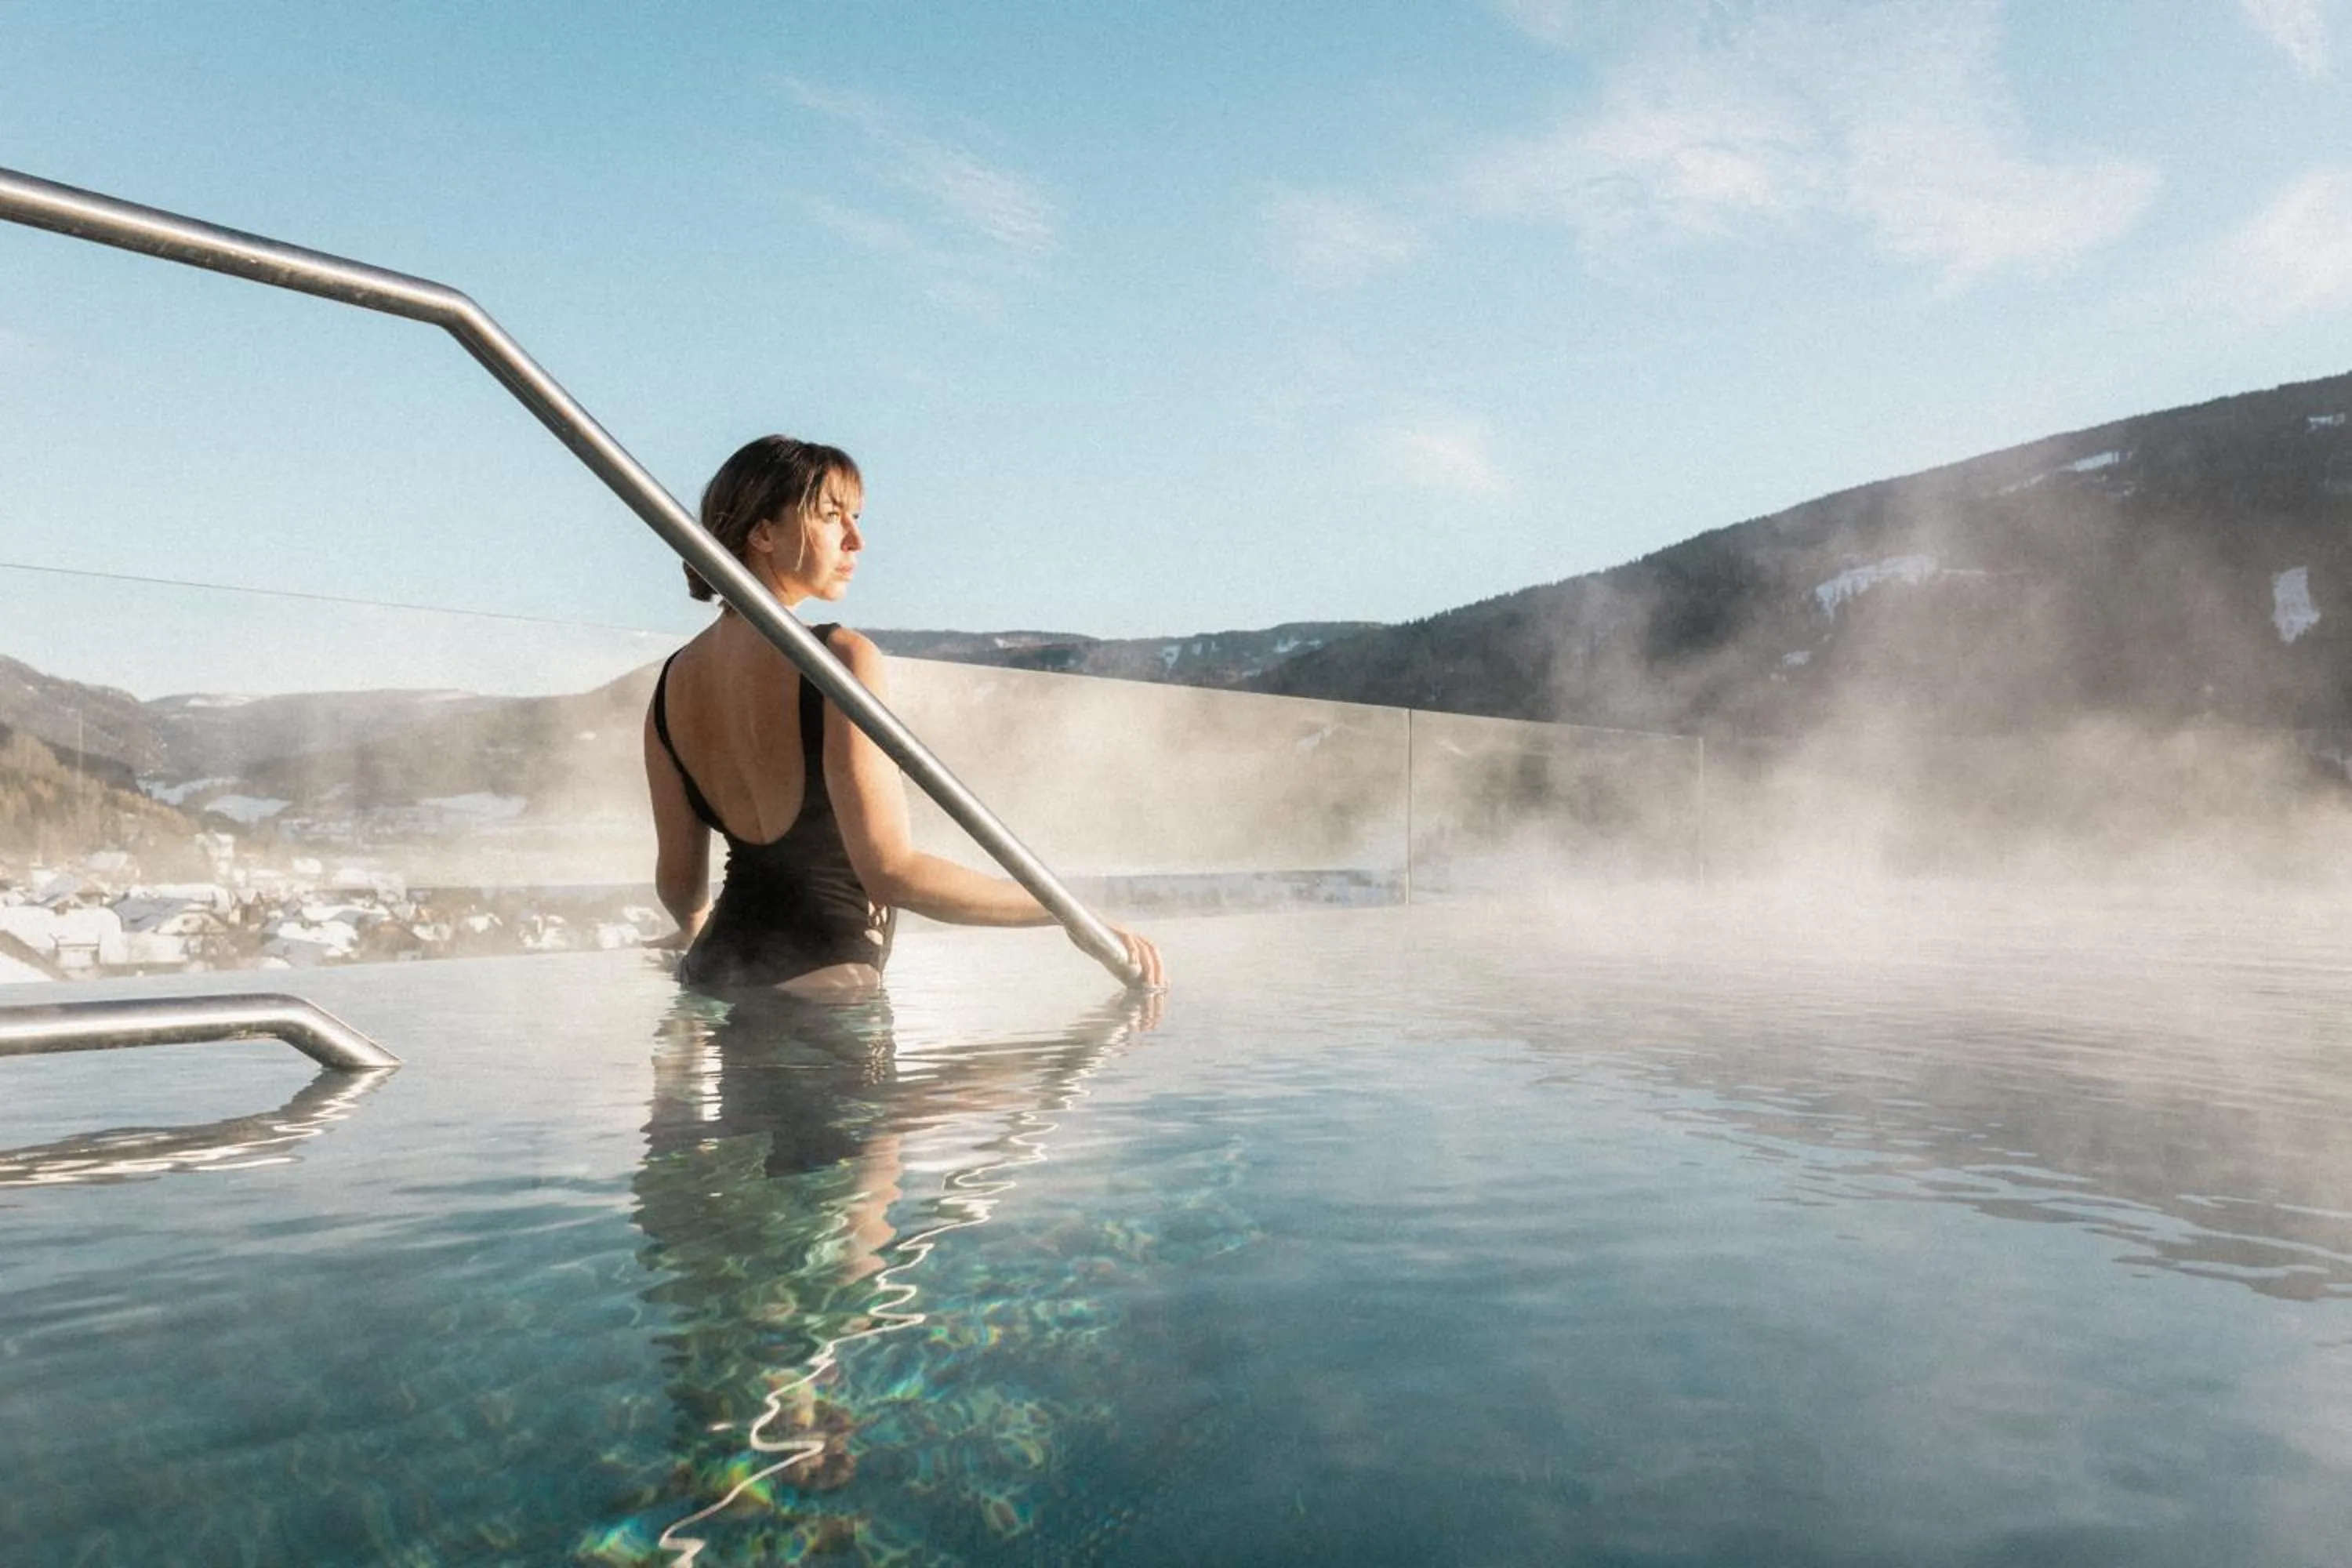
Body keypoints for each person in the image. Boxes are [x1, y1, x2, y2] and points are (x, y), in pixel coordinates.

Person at [644, 435, 1164, 1001]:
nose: (856, 539)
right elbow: (892, 871)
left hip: (714, 971)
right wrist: (1067, 913)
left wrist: (696, 931)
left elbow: (678, 882)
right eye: (830, 516)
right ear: (762, 532)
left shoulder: (672, 683)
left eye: (856, 517)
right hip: (825, 978)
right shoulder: (840, 659)